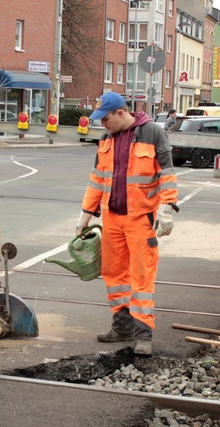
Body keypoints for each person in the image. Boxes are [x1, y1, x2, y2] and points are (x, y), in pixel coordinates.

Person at [76, 93, 178, 356]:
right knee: (114, 275)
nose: (103, 124)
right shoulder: (107, 139)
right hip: (112, 218)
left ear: (121, 113)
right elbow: (97, 179)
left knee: (142, 277)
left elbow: (166, 174)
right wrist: (86, 213)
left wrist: (166, 210)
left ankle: (143, 336)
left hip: (140, 219)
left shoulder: (153, 133)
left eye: (106, 119)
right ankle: (122, 328)